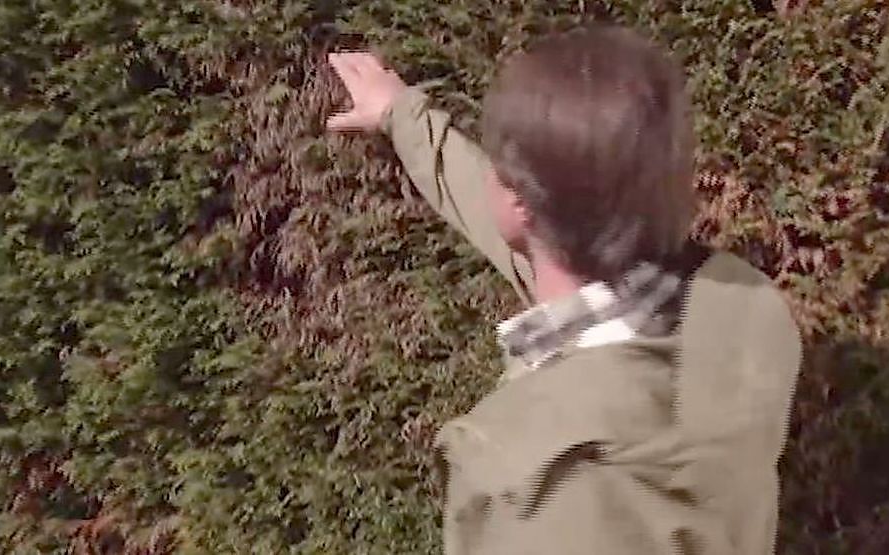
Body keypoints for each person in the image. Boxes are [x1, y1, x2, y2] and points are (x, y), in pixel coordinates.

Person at [327, 23, 802, 555]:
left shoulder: (545, 484)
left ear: (518, 203)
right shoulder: (737, 306)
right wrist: (402, 115)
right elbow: (523, 225)